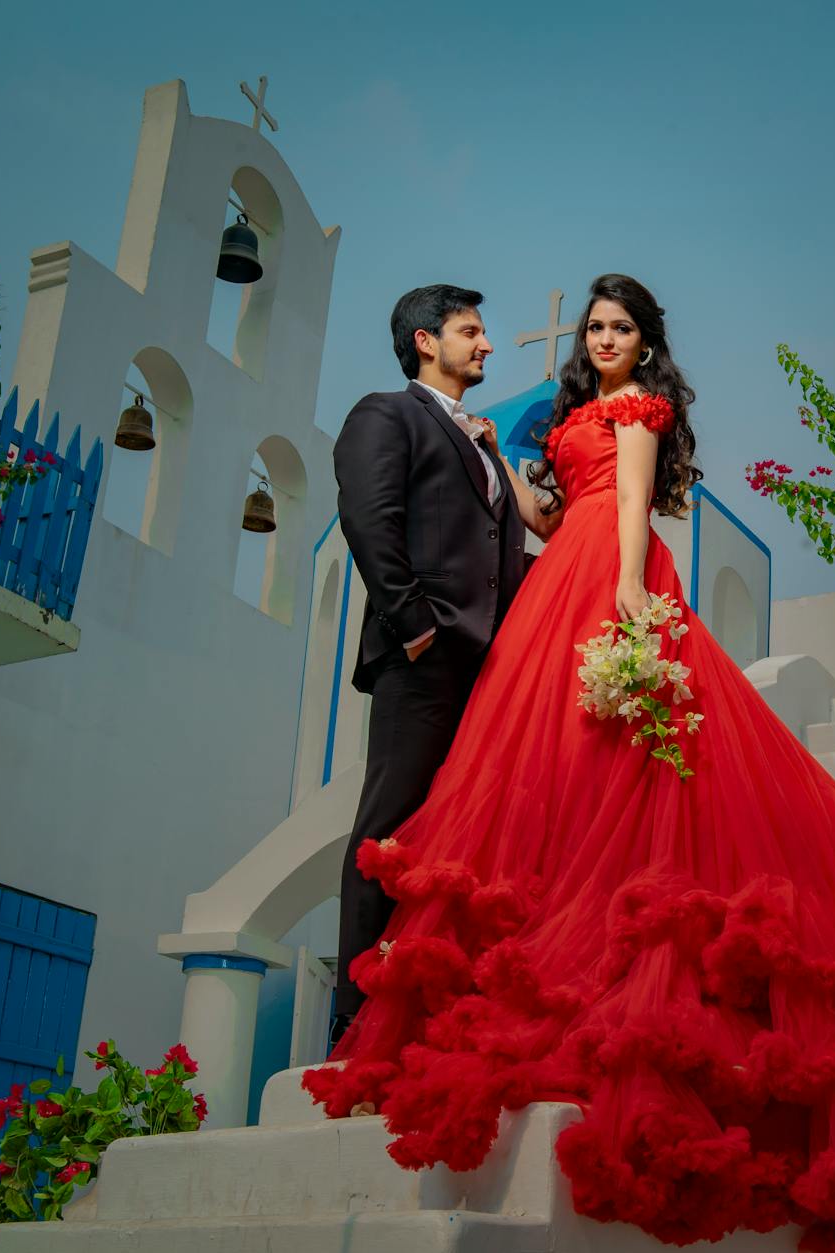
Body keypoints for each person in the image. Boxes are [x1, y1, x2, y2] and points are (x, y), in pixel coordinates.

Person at [307, 274, 835, 1252]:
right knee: (559, 766)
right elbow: (549, 521)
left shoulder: (639, 405)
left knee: (629, 760)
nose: (601, 337)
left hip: (615, 572)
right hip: (560, 573)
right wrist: (500, 472)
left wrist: (633, 594)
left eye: (619, 325)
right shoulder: (564, 415)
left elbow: (631, 499)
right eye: (593, 326)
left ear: (645, 339)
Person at [328, 284, 540, 1042]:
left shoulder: (481, 440)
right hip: (421, 660)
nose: (486, 345)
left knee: (458, 836)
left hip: (485, 672)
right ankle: (354, 1013)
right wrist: (414, 625)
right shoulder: (385, 414)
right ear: (426, 340)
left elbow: (500, 550)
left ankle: (423, 1010)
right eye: (470, 331)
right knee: (387, 832)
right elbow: (368, 518)